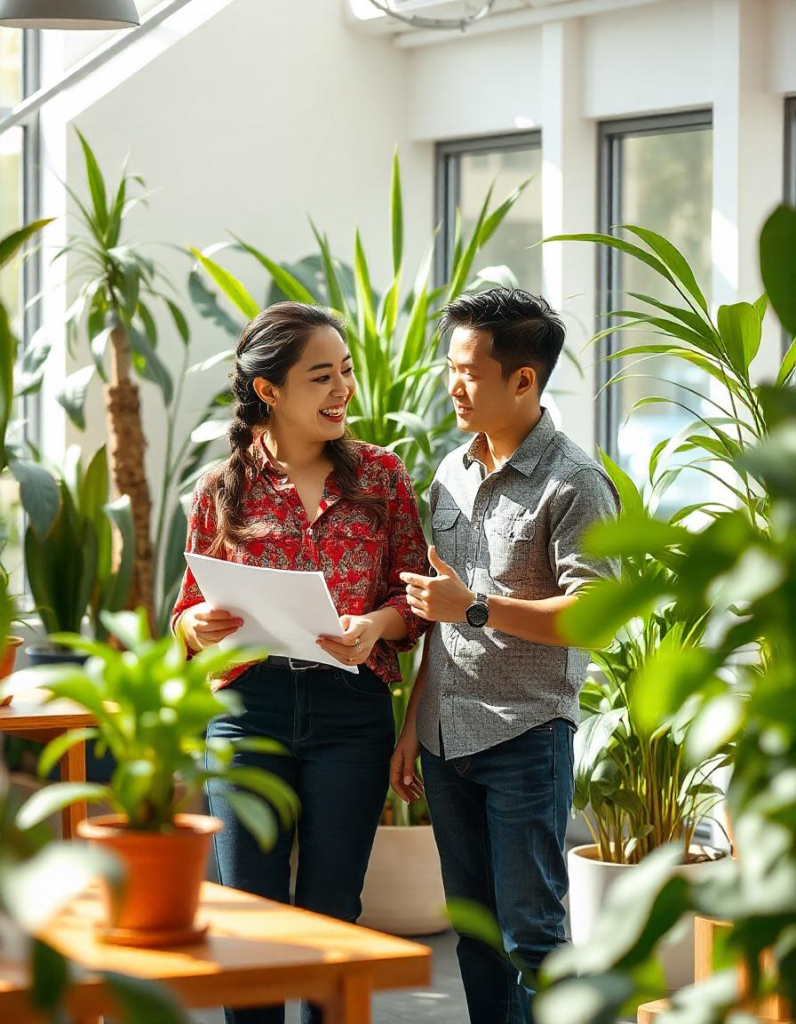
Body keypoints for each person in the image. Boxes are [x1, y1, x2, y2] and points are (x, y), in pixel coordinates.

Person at [172, 301, 429, 1024]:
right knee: (250, 915)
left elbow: (413, 599)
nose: (343, 389)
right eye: (322, 376)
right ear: (269, 392)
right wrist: (196, 625)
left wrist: (374, 623)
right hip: (247, 710)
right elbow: (184, 619)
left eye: (345, 371)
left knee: (330, 914)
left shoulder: (382, 477)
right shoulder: (220, 491)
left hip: (352, 713)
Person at [392, 288, 620, 1024]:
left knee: (532, 938)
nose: (452, 385)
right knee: (475, 934)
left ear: (523, 380)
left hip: (524, 737)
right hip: (443, 737)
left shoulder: (574, 483)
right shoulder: (448, 473)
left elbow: (595, 617)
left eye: (468, 371)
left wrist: (478, 607)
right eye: (449, 368)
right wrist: (410, 725)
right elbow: (436, 613)